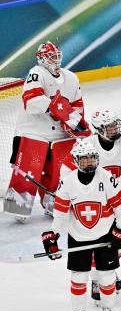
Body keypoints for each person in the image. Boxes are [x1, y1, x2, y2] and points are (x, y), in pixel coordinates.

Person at [42, 139, 121, 311]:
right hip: (78, 237)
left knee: (107, 277)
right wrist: (53, 235)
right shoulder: (67, 182)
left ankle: (107, 309)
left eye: (92, 158)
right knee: (78, 278)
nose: (89, 162)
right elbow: (60, 214)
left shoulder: (107, 178)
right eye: (84, 160)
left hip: (104, 235)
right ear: (76, 161)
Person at [4, 41, 90, 220]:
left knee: (61, 170)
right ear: (41, 59)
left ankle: (54, 201)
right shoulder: (36, 73)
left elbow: (78, 106)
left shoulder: (72, 78)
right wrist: (56, 108)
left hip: (61, 134)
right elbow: (32, 101)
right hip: (33, 131)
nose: (56, 60)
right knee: (29, 168)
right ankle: (19, 204)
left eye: (57, 56)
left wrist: (74, 124)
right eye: (51, 57)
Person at [60, 109, 121, 302]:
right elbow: (66, 172)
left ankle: (107, 271)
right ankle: (96, 279)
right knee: (93, 240)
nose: (113, 129)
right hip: (90, 203)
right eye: (109, 126)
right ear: (98, 129)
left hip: (115, 200)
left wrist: (111, 190)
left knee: (115, 242)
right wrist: (74, 192)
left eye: (114, 124)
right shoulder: (87, 146)